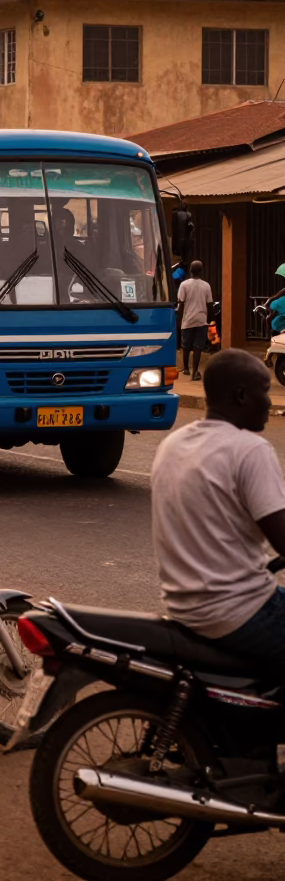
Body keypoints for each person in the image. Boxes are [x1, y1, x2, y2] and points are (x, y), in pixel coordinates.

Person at [152, 350, 285, 672]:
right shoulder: (250, 450)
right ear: (241, 396)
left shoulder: (174, 444)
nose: (270, 402)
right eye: (264, 391)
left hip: (183, 608)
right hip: (239, 611)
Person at [177, 258, 214, 381]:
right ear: (201, 271)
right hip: (201, 320)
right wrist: (210, 320)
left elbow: (181, 304)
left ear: (190, 270)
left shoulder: (184, 285)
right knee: (198, 346)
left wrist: (179, 320)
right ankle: (195, 371)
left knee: (185, 345)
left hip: (188, 319)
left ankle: (186, 369)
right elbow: (210, 304)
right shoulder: (206, 286)